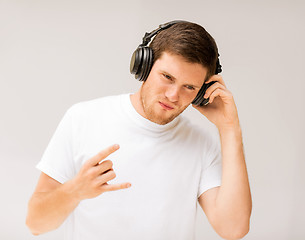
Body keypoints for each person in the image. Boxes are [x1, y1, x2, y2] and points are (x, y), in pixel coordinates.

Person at [26, 20, 252, 240]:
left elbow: (233, 229)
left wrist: (230, 128)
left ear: (202, 93)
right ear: (144, 65)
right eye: (167, 77)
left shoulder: (202, 142)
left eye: (189, 87)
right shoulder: (82, 118)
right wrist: (74, 191)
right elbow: (35, 223)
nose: (173, 96)